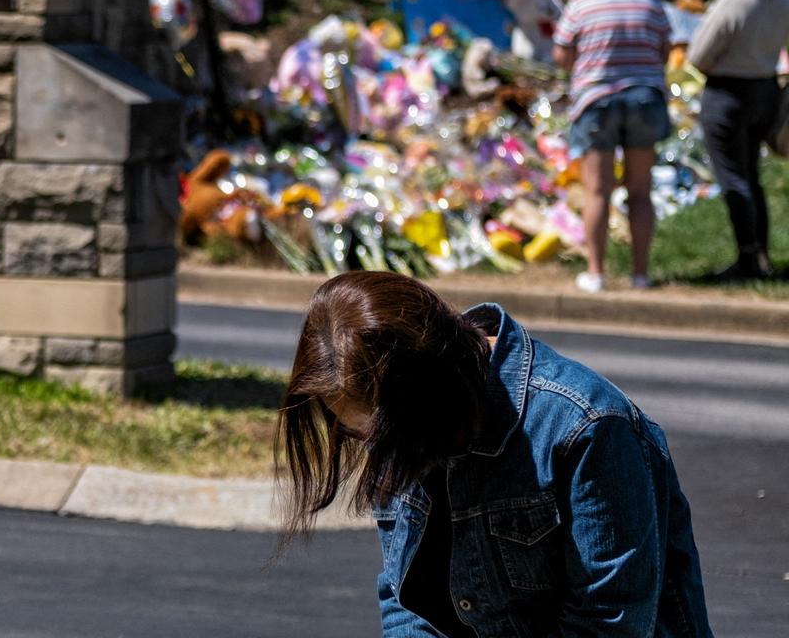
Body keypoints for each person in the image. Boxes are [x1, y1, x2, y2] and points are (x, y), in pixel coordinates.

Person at [277, 271, 712, 637]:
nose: (373, 446)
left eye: (384, 434)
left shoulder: (585, 425)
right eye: (353, 432)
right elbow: (403, 597)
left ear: (430, 396)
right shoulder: (395, 412)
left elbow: (611, 621)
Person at [554, 0, 672, 293]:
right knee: (640, 191)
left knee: (598, 192)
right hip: (644, 100)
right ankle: (640, 274)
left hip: (596, 102)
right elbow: (663, 52)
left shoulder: (580, 4)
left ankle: (596, 273)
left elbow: (562, 56)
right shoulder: (651, 6)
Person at [687, 0, 789, 281]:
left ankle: (749, 256)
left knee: (733, 178)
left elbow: (699, 56)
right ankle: (760, 253)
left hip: (728, 93)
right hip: (766, 89)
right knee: (751, 176)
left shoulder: (732, 3)